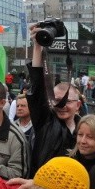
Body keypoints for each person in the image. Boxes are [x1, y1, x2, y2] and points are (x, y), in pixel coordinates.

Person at [26, 26, 81, 175]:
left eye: (66, 101)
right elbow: (37, 87)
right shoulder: (45, 121)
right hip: (42, 187)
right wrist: (37, 46)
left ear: (78, 104)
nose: (60, 106)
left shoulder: (85, 130)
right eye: (55, 100)